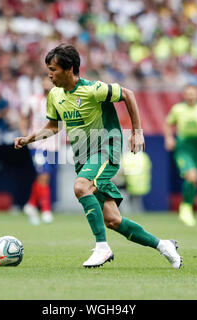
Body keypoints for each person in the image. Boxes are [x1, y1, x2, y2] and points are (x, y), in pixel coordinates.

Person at [14, 44, 181, 269]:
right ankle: (163, 245)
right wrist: (28, 138)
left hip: (106, 150)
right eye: (48, 70)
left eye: (53, 69)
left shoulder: (94, 89)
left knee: (81, 187)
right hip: (83, 157)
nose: (49, 75)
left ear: (69, 68)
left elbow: (128, 95)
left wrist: (136, 131)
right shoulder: (55, 95)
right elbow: (54, 127)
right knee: (113, 220)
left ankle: (102, 247)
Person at [163, 84, 197, 227]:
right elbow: (168, 124)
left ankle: (187, 206)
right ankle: (186, 207)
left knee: (195, 180)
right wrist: (169, 138)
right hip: (183, 146)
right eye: (188, 93)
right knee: (191, 175)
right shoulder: (178, 109)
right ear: (184, 95)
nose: (190, 96)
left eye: (193, 93)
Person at [19, 76, 58, 225]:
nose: (47, 83)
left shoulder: (59, 100)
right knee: (44, 175)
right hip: (38, 145)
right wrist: (24, 135)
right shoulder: (33, 100)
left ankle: (31, 204)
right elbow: (23, 117)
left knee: (44, 176)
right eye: (45, 80)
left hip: (53, 145)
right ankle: (46, 210)